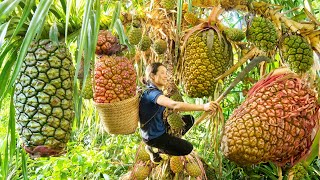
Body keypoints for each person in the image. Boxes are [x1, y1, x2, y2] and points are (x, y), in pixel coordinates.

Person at [139, 62, 218, 163]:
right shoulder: (151, 93)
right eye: (162, 73)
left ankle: (171, 142)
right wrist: (203, 106)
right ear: (152, 76)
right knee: (187, 148)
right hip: (154, 137)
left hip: (159, 127)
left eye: (166, 72)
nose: (166, 75)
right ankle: (154, 149)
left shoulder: (155, 91)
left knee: (189, 119)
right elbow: (175, 105)